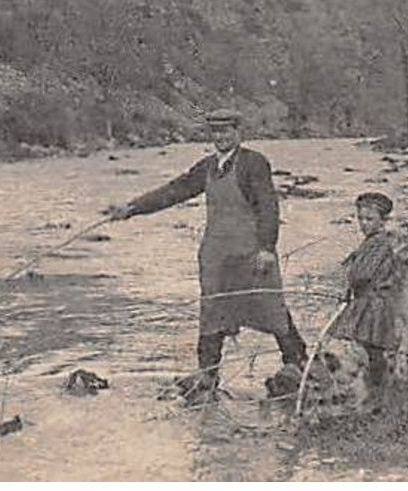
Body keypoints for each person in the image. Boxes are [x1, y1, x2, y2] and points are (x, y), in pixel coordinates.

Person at [106, 108, 308, 400]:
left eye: (227, 131)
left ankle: (296, 363)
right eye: (216, 132)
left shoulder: (254, 163)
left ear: (238, 132)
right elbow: (175, 190)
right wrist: (133, 208)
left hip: (250, 254)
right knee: (212, 311)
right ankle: (208, 374)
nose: (221, 136)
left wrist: (266, 248)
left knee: (270, 306)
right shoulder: (207, 167)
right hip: (216, 256)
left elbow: (268, 207)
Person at [332, 191, 402, 404]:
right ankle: (376, 394)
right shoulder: (372, 242)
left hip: (374, 305)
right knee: (372, 351)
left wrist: (350, 274)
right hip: (370, 303)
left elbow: (362, 275)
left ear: (383, 221)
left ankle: (376, 394)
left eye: (369, 219)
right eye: (360, 218)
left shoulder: (379, 243)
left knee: (371, 350)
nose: (363, 224)